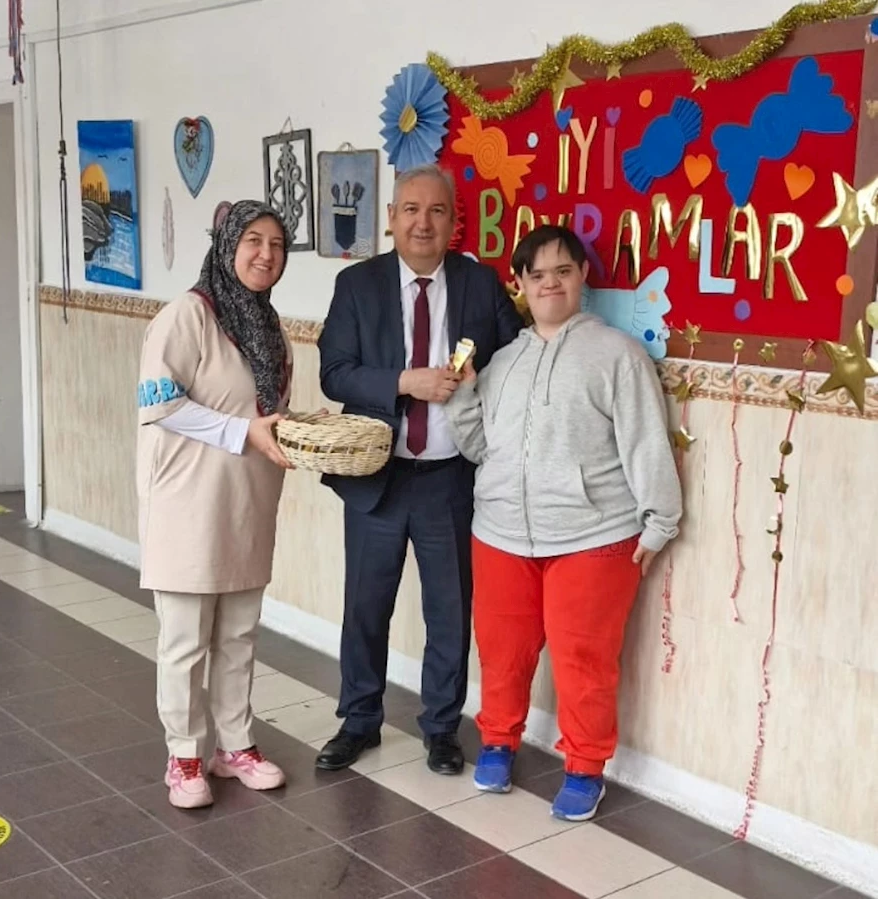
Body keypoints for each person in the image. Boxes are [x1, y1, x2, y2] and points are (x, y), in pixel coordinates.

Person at [445, 224, 682, 820]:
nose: (550, 283)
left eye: (563, 272)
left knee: (584, 661)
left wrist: (660, 521)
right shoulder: (502, 361)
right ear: (520, 284)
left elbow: (645, 442)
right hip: (499, 534)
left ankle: (584, 768)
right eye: (537, 275)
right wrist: (463, 397)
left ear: (582, 278)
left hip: (593, 538)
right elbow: (478, 447)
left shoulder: (617, 355)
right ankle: (497, 742)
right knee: (502, 652)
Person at [316, 164, 524, 775]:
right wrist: (405, 382)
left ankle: (441, 729)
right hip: (377, 476)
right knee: (366, 606)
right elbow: (335, 374)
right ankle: (359, 721)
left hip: (450, 479)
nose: (422, 222)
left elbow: (517, 357)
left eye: (436, 211)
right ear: (391, 218)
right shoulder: (357, 285)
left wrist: (481, 380)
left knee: (449, 611)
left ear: (454, 221)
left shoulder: (480, 284)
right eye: (410, 209)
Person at [136, 200, 296, 809]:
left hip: (247, 501)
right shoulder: (188, 316)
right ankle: (183, 755)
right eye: (253, 240)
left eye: (277, 244)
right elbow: (160, 404)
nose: (265, 254)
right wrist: (241, 431)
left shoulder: (269, 326)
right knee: (185, 641)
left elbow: (267, 412)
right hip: (188, 505)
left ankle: (235, 745)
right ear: (227, 245)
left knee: (238, 635)